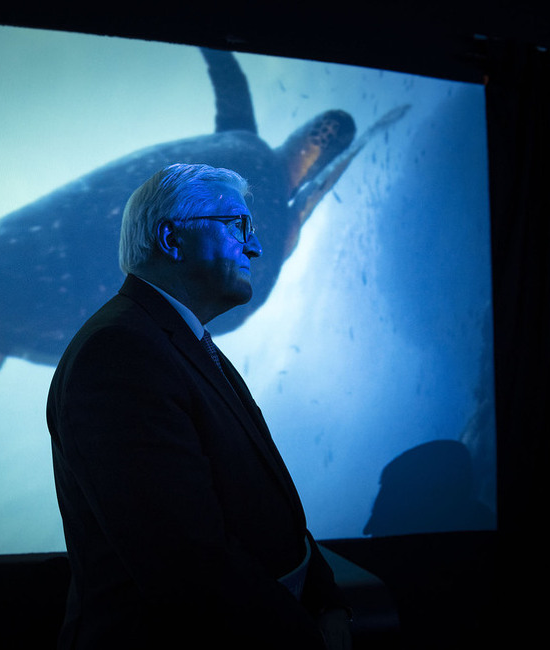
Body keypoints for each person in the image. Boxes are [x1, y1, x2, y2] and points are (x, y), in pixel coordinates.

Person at [46, 163, 351, 649]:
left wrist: (326, 600)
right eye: (239, 226)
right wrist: (308, 637)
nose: (255, 247)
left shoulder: (175, 341)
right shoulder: (119, 353)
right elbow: (183, 562)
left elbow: (265, 505)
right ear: (172, 238)